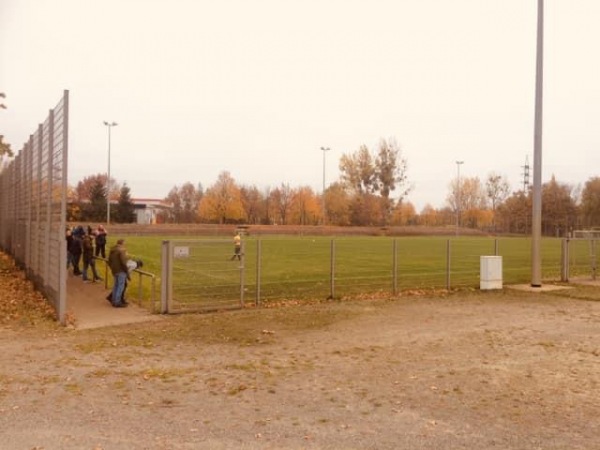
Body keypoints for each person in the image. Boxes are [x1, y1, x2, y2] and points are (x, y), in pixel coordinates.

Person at [107, 238, 129, 308]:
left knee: (116, 286)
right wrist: (126, 270)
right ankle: (117, 302)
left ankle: (114, 300)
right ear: (122, 243)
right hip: (121, 271)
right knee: (120, 286)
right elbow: (123, 262)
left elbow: (109, 261)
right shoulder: (122, 250)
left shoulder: (112, 250)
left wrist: (112, 268)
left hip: (114, 270)